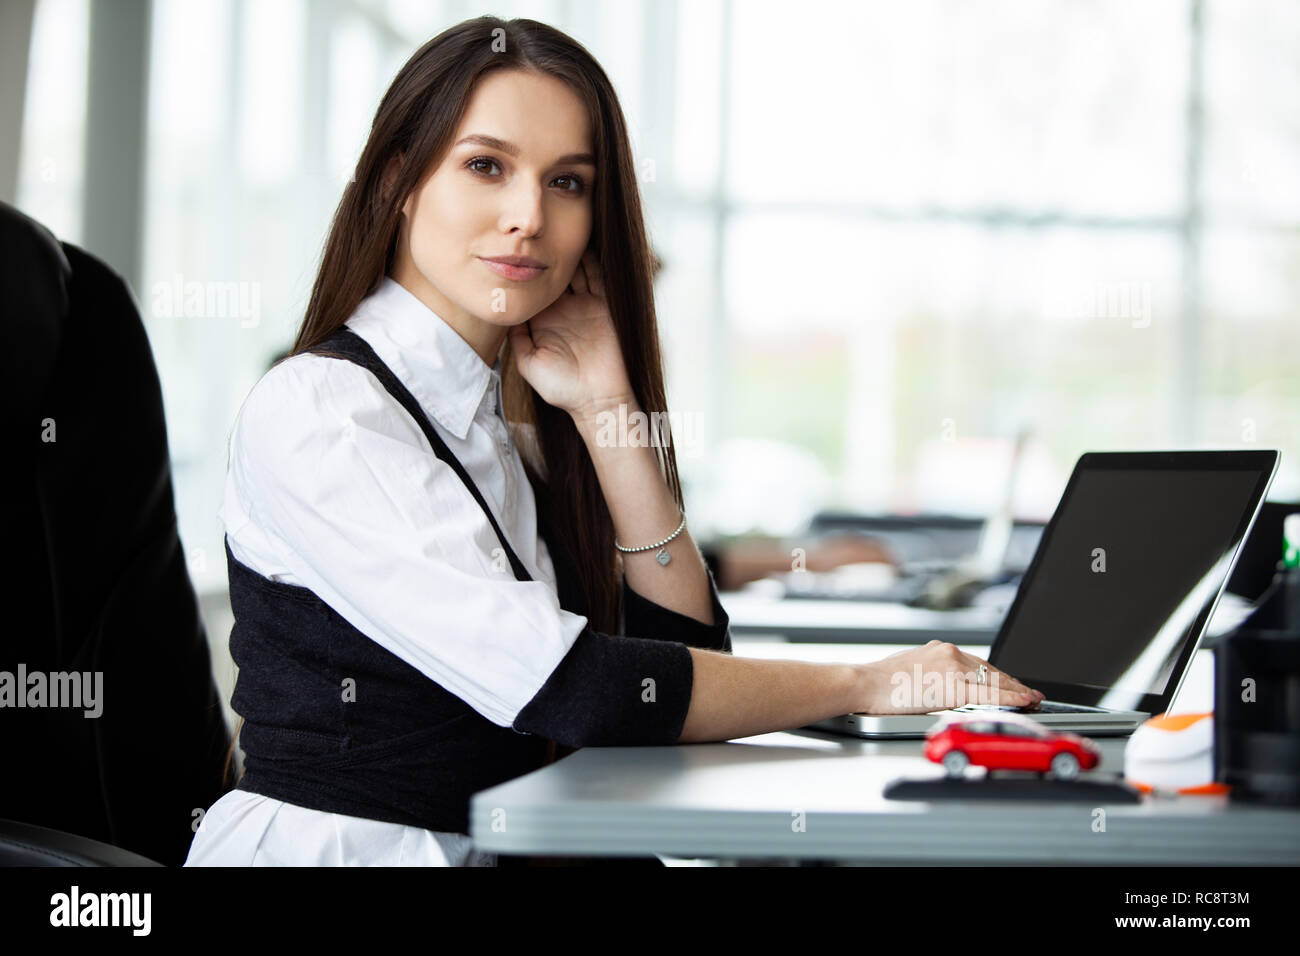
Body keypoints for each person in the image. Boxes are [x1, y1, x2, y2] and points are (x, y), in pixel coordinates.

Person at [185, 16, 1041, 867]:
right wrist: (866, 682)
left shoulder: (500, 421)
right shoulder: (330, 412)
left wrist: (607, 410)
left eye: (568, 183)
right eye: (486, 166)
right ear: (399, 180)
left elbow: (686, 660)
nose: (528, 217)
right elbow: (579, 689)